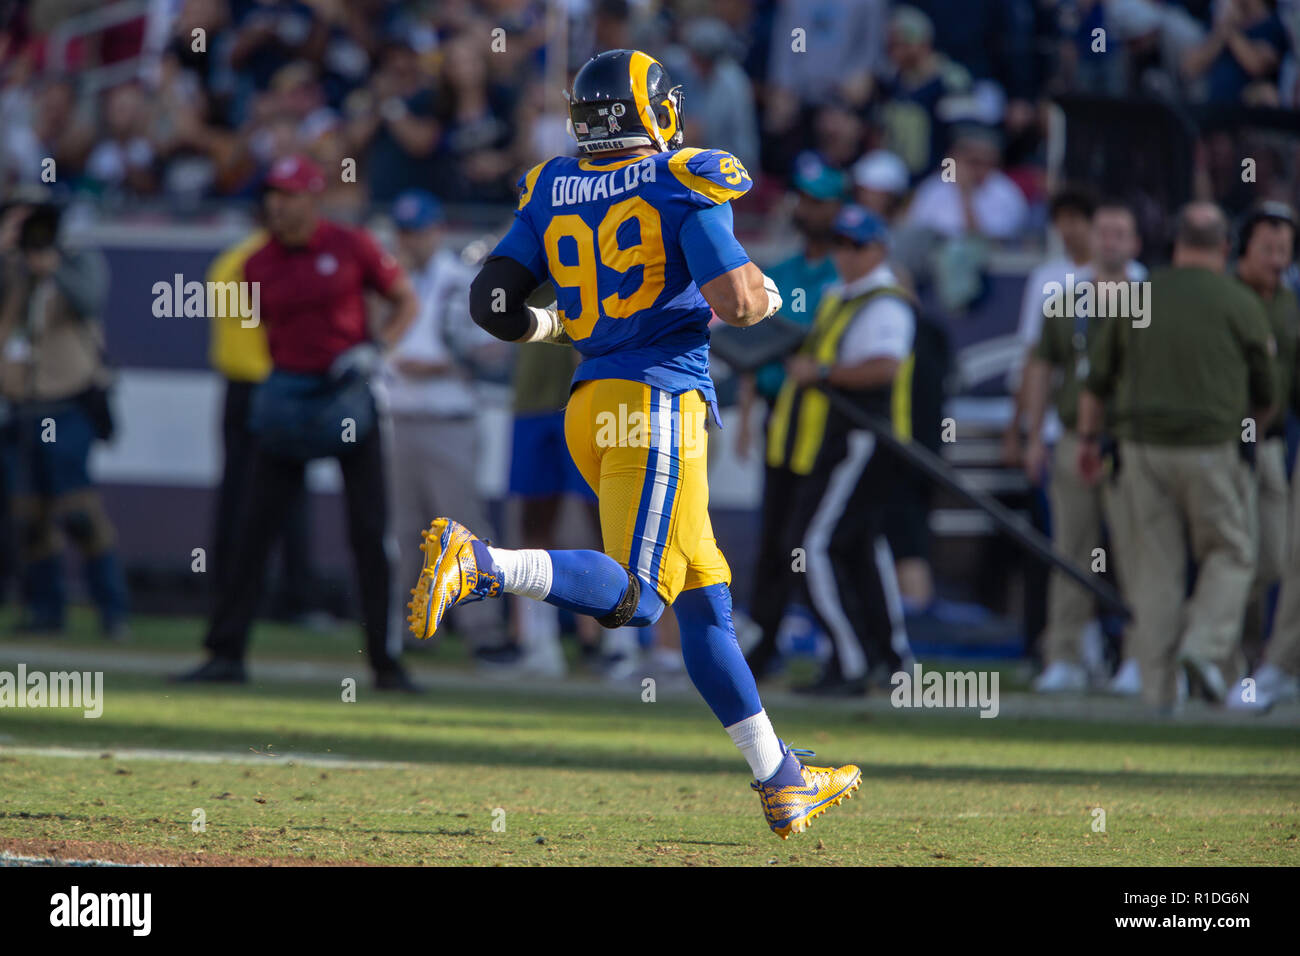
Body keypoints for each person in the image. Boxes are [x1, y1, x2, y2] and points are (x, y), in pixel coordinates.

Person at [410, 50, 862, 839]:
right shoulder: (686, 176)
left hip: (593, 401)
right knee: (638, 596)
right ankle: (482, 565)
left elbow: (491, 304)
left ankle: (780, 776)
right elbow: (734, 300)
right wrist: (767, 294)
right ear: (653, 111)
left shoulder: (553, 183)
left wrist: (558, 324)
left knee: (705, 601)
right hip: (656, 403)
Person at [174, 155, 420, 691]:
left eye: (288, 195)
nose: (277, 206)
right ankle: (226, 653)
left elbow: (404, 301)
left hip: (347, 394)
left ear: (313, 198)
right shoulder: (256, 263)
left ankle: (385, 661)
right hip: (288, 394)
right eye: (272, 196)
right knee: (252, 531)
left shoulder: (352, 245)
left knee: (370, 533)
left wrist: (377, 349)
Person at [1077, 201, 1276, 712]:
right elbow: (1267, 390)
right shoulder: (1240, 302)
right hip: (1211, 446)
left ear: (1174, 243)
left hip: (1139, 450)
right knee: (1231, 554)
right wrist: (1248, 432)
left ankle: (1158, 696)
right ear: (1225, 248)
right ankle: (1203, 649)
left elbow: (1097, 381)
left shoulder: (1136, 296)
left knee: (1153, 574)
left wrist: (1086, 440)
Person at [771, 205, 917, 695]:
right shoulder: (839, 296)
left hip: (863, 437)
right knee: (858, 548)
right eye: (839, 244)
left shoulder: (886, 303)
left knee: (808, 547)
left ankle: (852, 661)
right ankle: (889, 659)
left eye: (855, 246)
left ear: (878, 250)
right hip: (838, 438)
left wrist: (824, 373)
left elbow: (885, 368)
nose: (844, 255)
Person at [1019, 201, 1145, 693]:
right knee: (1071, 549)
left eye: (1121, 232)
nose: (1112, 240)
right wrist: (1034, 436)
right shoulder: (1065, 298)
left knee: (1139, 552)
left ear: (1135, 243)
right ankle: (1065, 655)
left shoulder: (1150, 298)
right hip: (1073, 436)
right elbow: (1039, 367)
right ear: (1090, 239)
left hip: (1132, 440)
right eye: (1104, 231)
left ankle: (1141, 657)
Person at [382, 189, 510, 657]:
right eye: (405, 232)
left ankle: (482, 629)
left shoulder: (462, 280)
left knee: (460, 524)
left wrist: (449, 364)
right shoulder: (386, 279)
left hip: (448, 415)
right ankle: (408, 627)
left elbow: (494, 350)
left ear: (437, 231)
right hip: (396, 414)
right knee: (402, 528)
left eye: (419, 231)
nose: (411, 241)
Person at [737, 151, 845, 680]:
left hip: (833, 420)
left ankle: (838, 646)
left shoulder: (847, 274)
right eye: (806, 200)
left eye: (822, 202)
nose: (812, 210)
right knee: (776, 536)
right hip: (782, 416)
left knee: (814, 539)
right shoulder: (779, 271)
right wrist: (744, 417)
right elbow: (754, 352)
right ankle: (765, 641)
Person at [0, 202, 128, 637]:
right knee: (29, 514)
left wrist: (51, 266)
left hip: (68, 403)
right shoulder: (10, 269)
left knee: (78, 511)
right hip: (22, 406)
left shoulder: (78, 260)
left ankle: (113, 610)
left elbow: (89, 301)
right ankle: (46, 610)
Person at [1230, 201, 1300, 709]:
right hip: (1225, 444)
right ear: (1244, 248)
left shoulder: (1290, 303)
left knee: (1273, 559)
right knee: (1234, 555)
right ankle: (1231, 661)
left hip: (1271, 444)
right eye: (1268, 248)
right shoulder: (1226, 297)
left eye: (1285, 249)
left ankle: (1254, 661)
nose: (1277, 258)